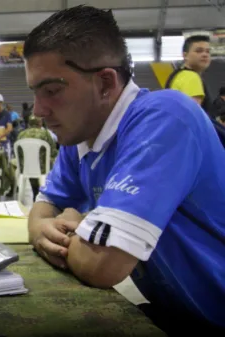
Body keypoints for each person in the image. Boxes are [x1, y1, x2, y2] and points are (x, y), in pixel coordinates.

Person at [23, 5, 224, 333]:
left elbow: (103, 265)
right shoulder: (81, 139)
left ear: (104, 83)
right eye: (35, 93)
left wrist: (73, 226)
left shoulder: (166, 116)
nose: (39, 111)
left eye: (52, 91)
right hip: (175, 313)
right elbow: (41, 210)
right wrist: (42, 230)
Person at [165, 35, 212, 114]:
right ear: (185, 55)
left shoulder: (178, 75)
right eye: (198, 51)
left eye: (207, 51)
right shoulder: (191, 77)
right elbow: (193, 115)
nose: (205, 55)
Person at [17, 115, 58, 199]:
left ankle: (35, 190)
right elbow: (53, 151)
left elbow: (19, 152)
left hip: (26, 168)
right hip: (43, 168)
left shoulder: (21, 134)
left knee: (30, 164)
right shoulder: (45, 133)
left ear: (29, 123)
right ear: (40, 123)